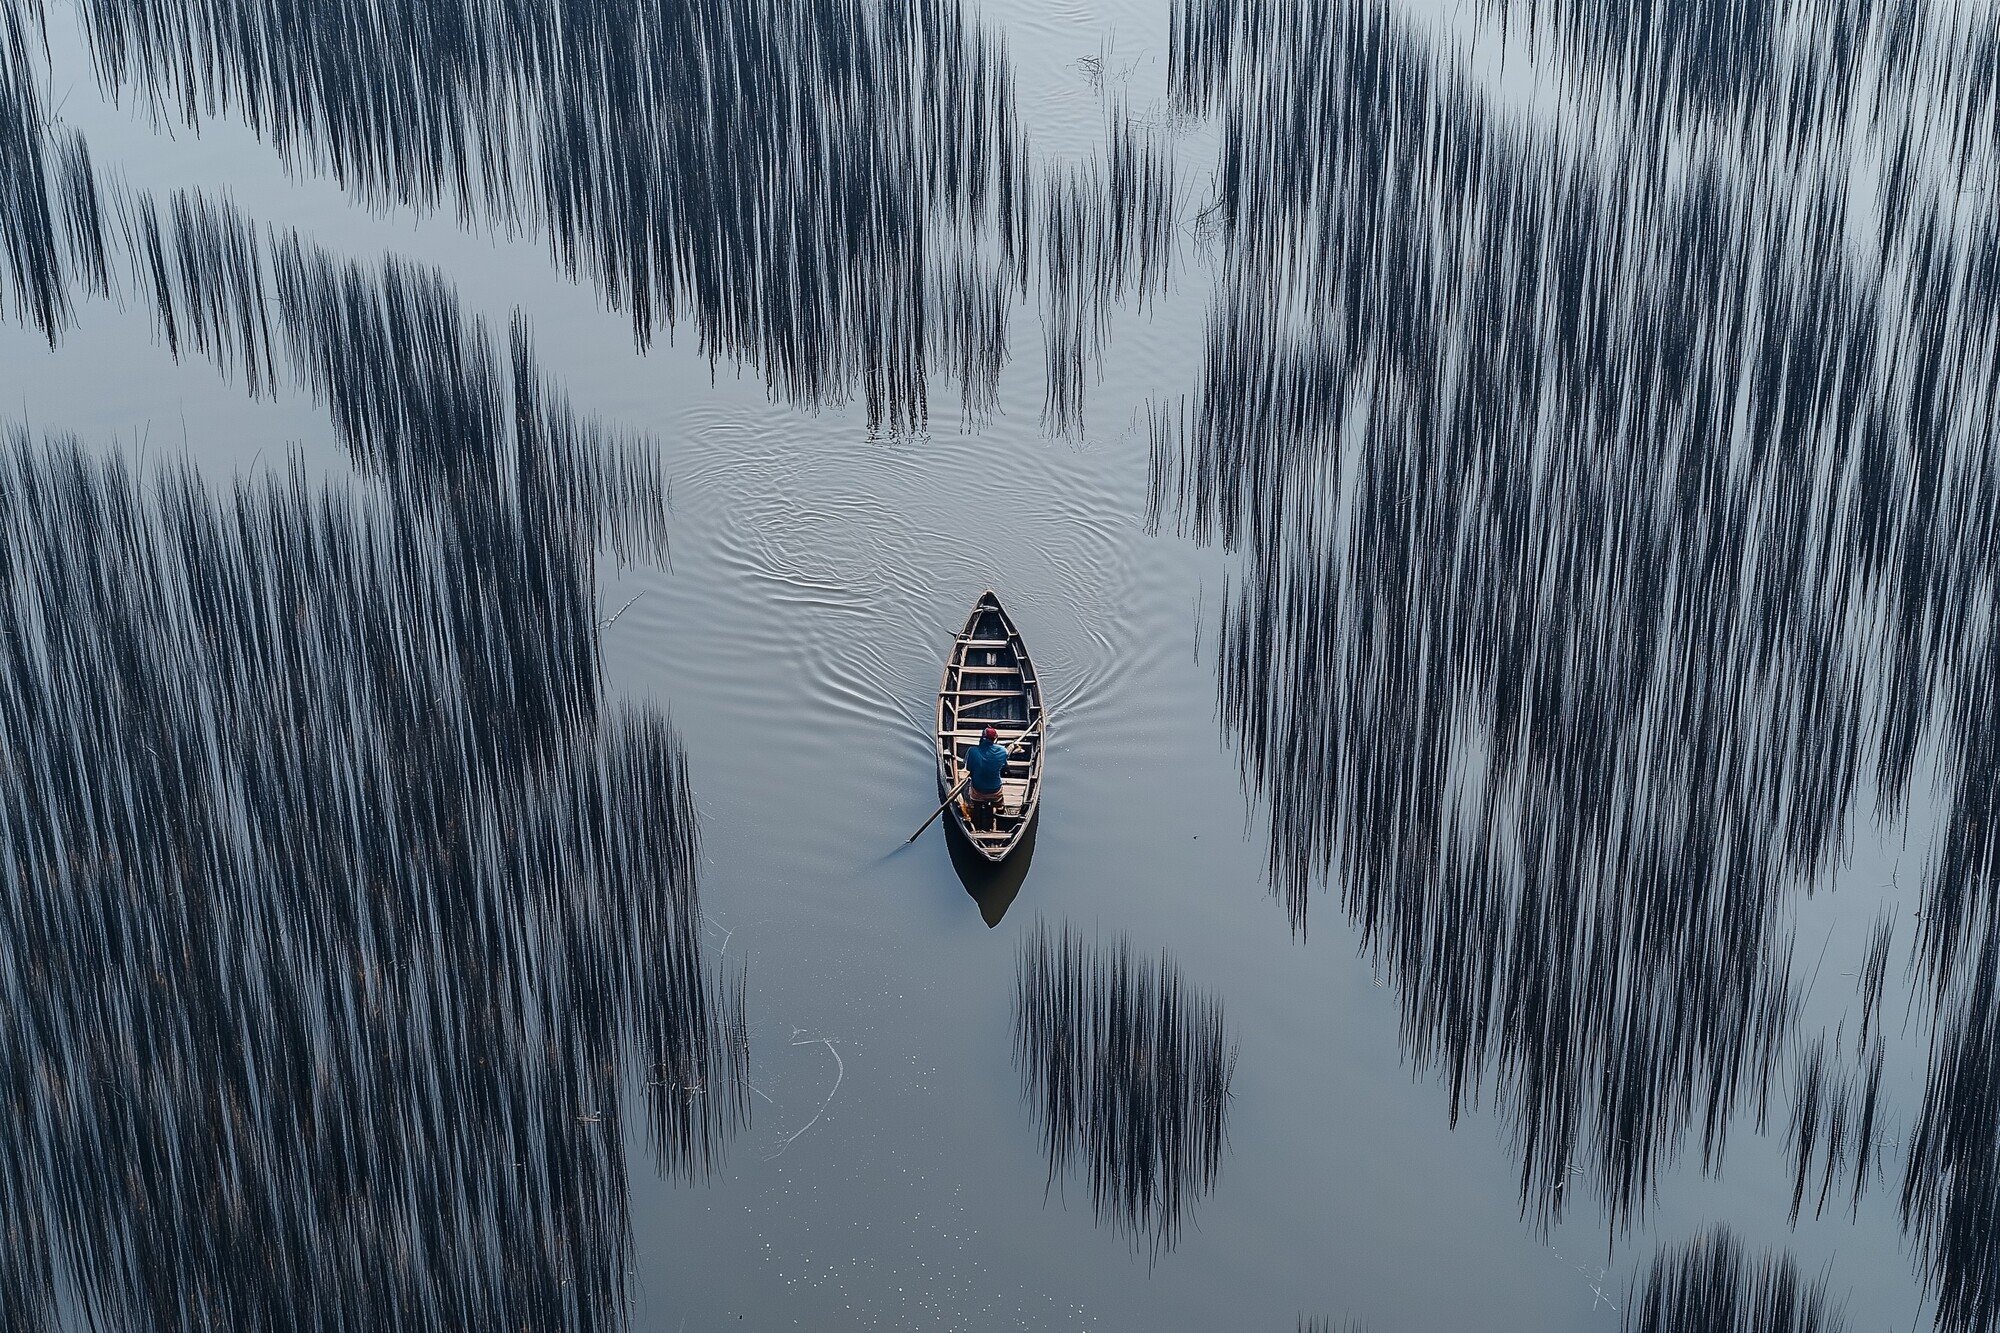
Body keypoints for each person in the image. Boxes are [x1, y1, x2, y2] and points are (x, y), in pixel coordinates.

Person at [962, 725, 1010, 830]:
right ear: (995, 739)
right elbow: (1005, 767)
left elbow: (969, 768)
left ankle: (976, 822)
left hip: (978, 792)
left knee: (968, 788)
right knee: (999, 801)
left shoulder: (972, 751)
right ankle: (1000, 814)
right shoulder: (1004, 751)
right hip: (995, 791)